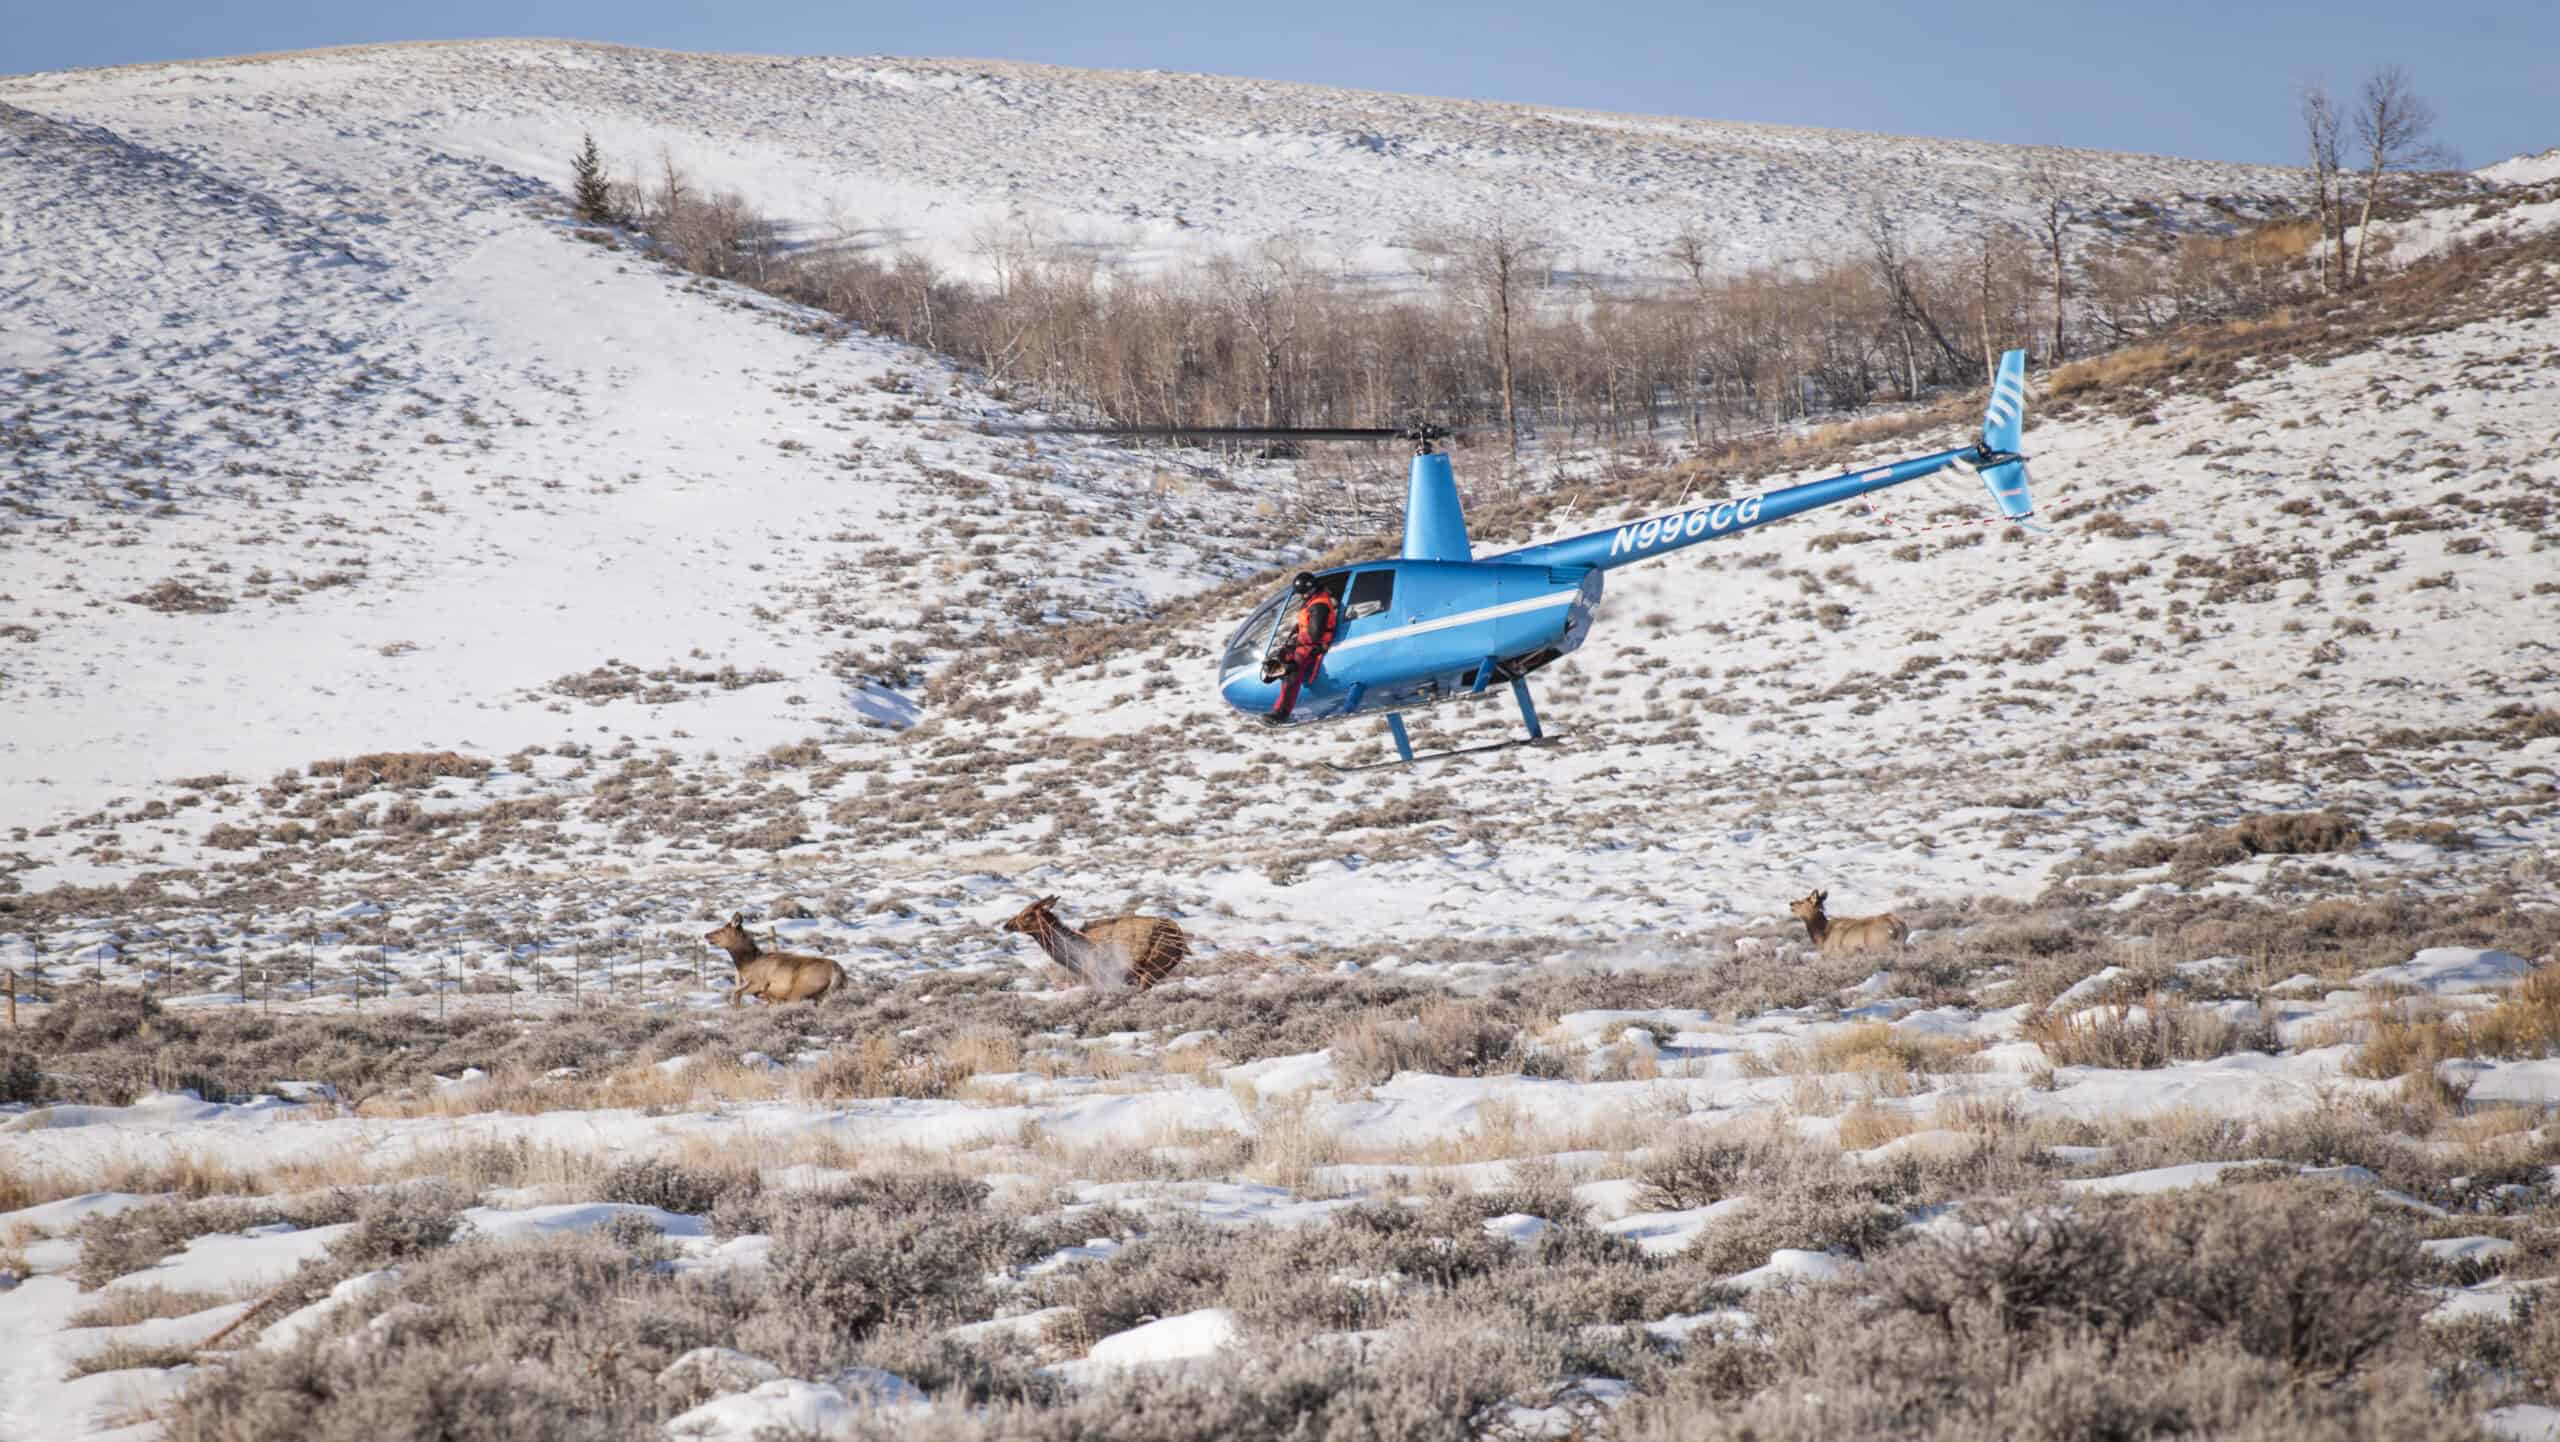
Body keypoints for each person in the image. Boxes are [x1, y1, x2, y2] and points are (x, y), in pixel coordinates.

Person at [1266, 572, 1337, 724]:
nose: (1302, 596)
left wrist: (1297, 643)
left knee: (1293, 671)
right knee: (1282, 656)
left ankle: (1282, 713)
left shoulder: (1319, 605)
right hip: (1305, 644)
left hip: (1313, 646)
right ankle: (1274, 673)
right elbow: (1305, 627)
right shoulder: (1313, 602)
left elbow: (1315, 634)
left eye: (1303, 593)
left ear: (1310, 590)